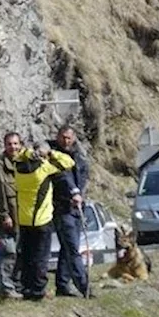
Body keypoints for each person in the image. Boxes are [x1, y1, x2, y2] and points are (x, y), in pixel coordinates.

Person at [13, 141, 76, 301]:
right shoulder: (44, 169)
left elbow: (20, 154)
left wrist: (29, 152)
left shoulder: (17, 168)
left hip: (24, 218)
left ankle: (25, 288)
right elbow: (69, 163)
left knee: (27, 256)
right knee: (41, 257)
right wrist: (51, 153)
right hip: (42, 219)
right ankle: (38, 290)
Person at [50, 125, 92, 298]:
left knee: (67, 248)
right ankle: (85, 287)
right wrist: (73, 192)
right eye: (63, 137)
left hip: (76, 209)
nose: (66, 141)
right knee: (73, 248)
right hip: (62, 208)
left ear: (73, 138)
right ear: (58, 137)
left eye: (69, 138)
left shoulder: (79, 157)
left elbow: (83, 177)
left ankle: (62, 285)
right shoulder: (53, 156)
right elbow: (62, 177)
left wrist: (80, 194)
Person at [0, 132, 23, 300]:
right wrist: (4, 216)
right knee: (8, 253)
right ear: (5, 145)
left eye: (16, 144)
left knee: (19, 253)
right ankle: (6, 289)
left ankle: (17, 286)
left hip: (22, 217)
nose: (13, 147)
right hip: (8, 219)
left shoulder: (23, 164)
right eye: (10, 144)